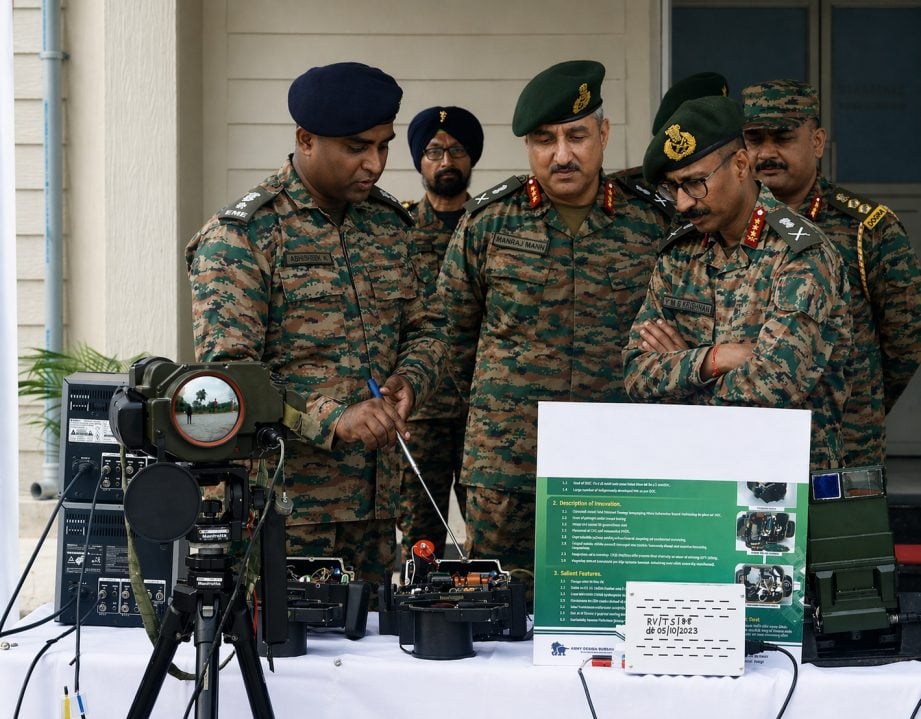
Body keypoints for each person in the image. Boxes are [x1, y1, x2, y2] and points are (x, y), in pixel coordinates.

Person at [185, 62, 447, 589]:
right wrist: (334, 418)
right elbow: (229, 381)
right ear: (305, 140)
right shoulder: (243, 236)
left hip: (377, 510)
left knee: (372, 640)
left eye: (384, 146)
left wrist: (411, 381)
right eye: (357, 147)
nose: (375, 163)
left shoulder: (390, 226)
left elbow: (430, 330)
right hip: (284, 512)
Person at [436, 60, 671, 581]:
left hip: (619, 466)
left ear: (604, 135)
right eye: (545, 139)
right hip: (508, 472)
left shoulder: (652, 224)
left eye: (576, 136)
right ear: (528, 146)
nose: (561, 155)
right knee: (500, 610)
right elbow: (449, 343)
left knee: (609, 606)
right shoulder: (487, 224)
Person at [623, 95, 852, 471]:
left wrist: (682, 373)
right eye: (673, 187)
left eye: (695, 183)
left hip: (784, 480)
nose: (682, 203)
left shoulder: (801, 254)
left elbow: (771, 388)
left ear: (741, 165)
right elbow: (636, 374)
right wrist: (714, 359)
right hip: (695, 473)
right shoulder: (680, 254)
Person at [741, 79, 921, 468]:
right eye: (754, 139)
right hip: (749, 444)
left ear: (817, 142)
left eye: (783, 138)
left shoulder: (866, 230)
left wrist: (860, 406)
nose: (766, 153)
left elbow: (905, 343)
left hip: (844, 449)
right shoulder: (723, 226)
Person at [397, 106, 484, 561]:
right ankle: (419, 602)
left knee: (487, 532)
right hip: (420, 410)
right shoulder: (399, 229)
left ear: (472, 158)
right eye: (434, 151)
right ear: (420, 159)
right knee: (420, 535)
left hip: (479, 409)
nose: (446, 161)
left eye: (457, 150)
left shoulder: (490, 224)